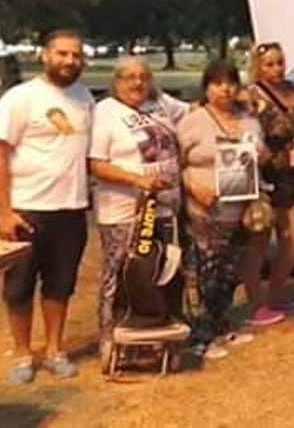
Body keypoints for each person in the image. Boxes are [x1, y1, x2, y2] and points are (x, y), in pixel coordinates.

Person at [0, 30, 94, 384]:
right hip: (27, 208)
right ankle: (23, 354)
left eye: (76, 55)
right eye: (62, 53)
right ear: (44, 55)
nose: (70, 61)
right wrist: (4, 212)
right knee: (19, 288)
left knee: (60, 285)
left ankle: (54, 350)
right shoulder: (20, 98)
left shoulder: (84, 98)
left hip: (71, 208)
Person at [88, 57, 183, 370]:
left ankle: (157, 334)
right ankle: (110, 337)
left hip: (164, 208)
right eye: (129, 77)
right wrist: (138, 180)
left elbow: (196, 111)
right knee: (120, 274)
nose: (137, 82)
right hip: (124, 211)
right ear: (116, 82)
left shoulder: (160, 105)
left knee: (162, 271)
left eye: (143, 76)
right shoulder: (105, 112)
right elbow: (96, 163)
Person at [178, 60, 268, 359]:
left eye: (230, 83)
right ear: (206, 88)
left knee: (230, 271)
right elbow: (176, 164)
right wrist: (194, 187)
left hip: (240, 209)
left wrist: (261, 155)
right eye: (217, 83)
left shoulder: (249, 120)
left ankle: (221, 324)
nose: (225, 89)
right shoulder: (194, 121)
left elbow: (261, 156)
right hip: (205, 210)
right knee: (206, 273)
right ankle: (201, 336)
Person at [243, 42, 294, 321]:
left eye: (279, 62)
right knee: (260, 241)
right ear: (258, 67)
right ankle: (255, 303)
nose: (276, 69)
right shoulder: (250, 96)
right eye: (269, 64)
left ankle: (275, 293)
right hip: (264, 176)